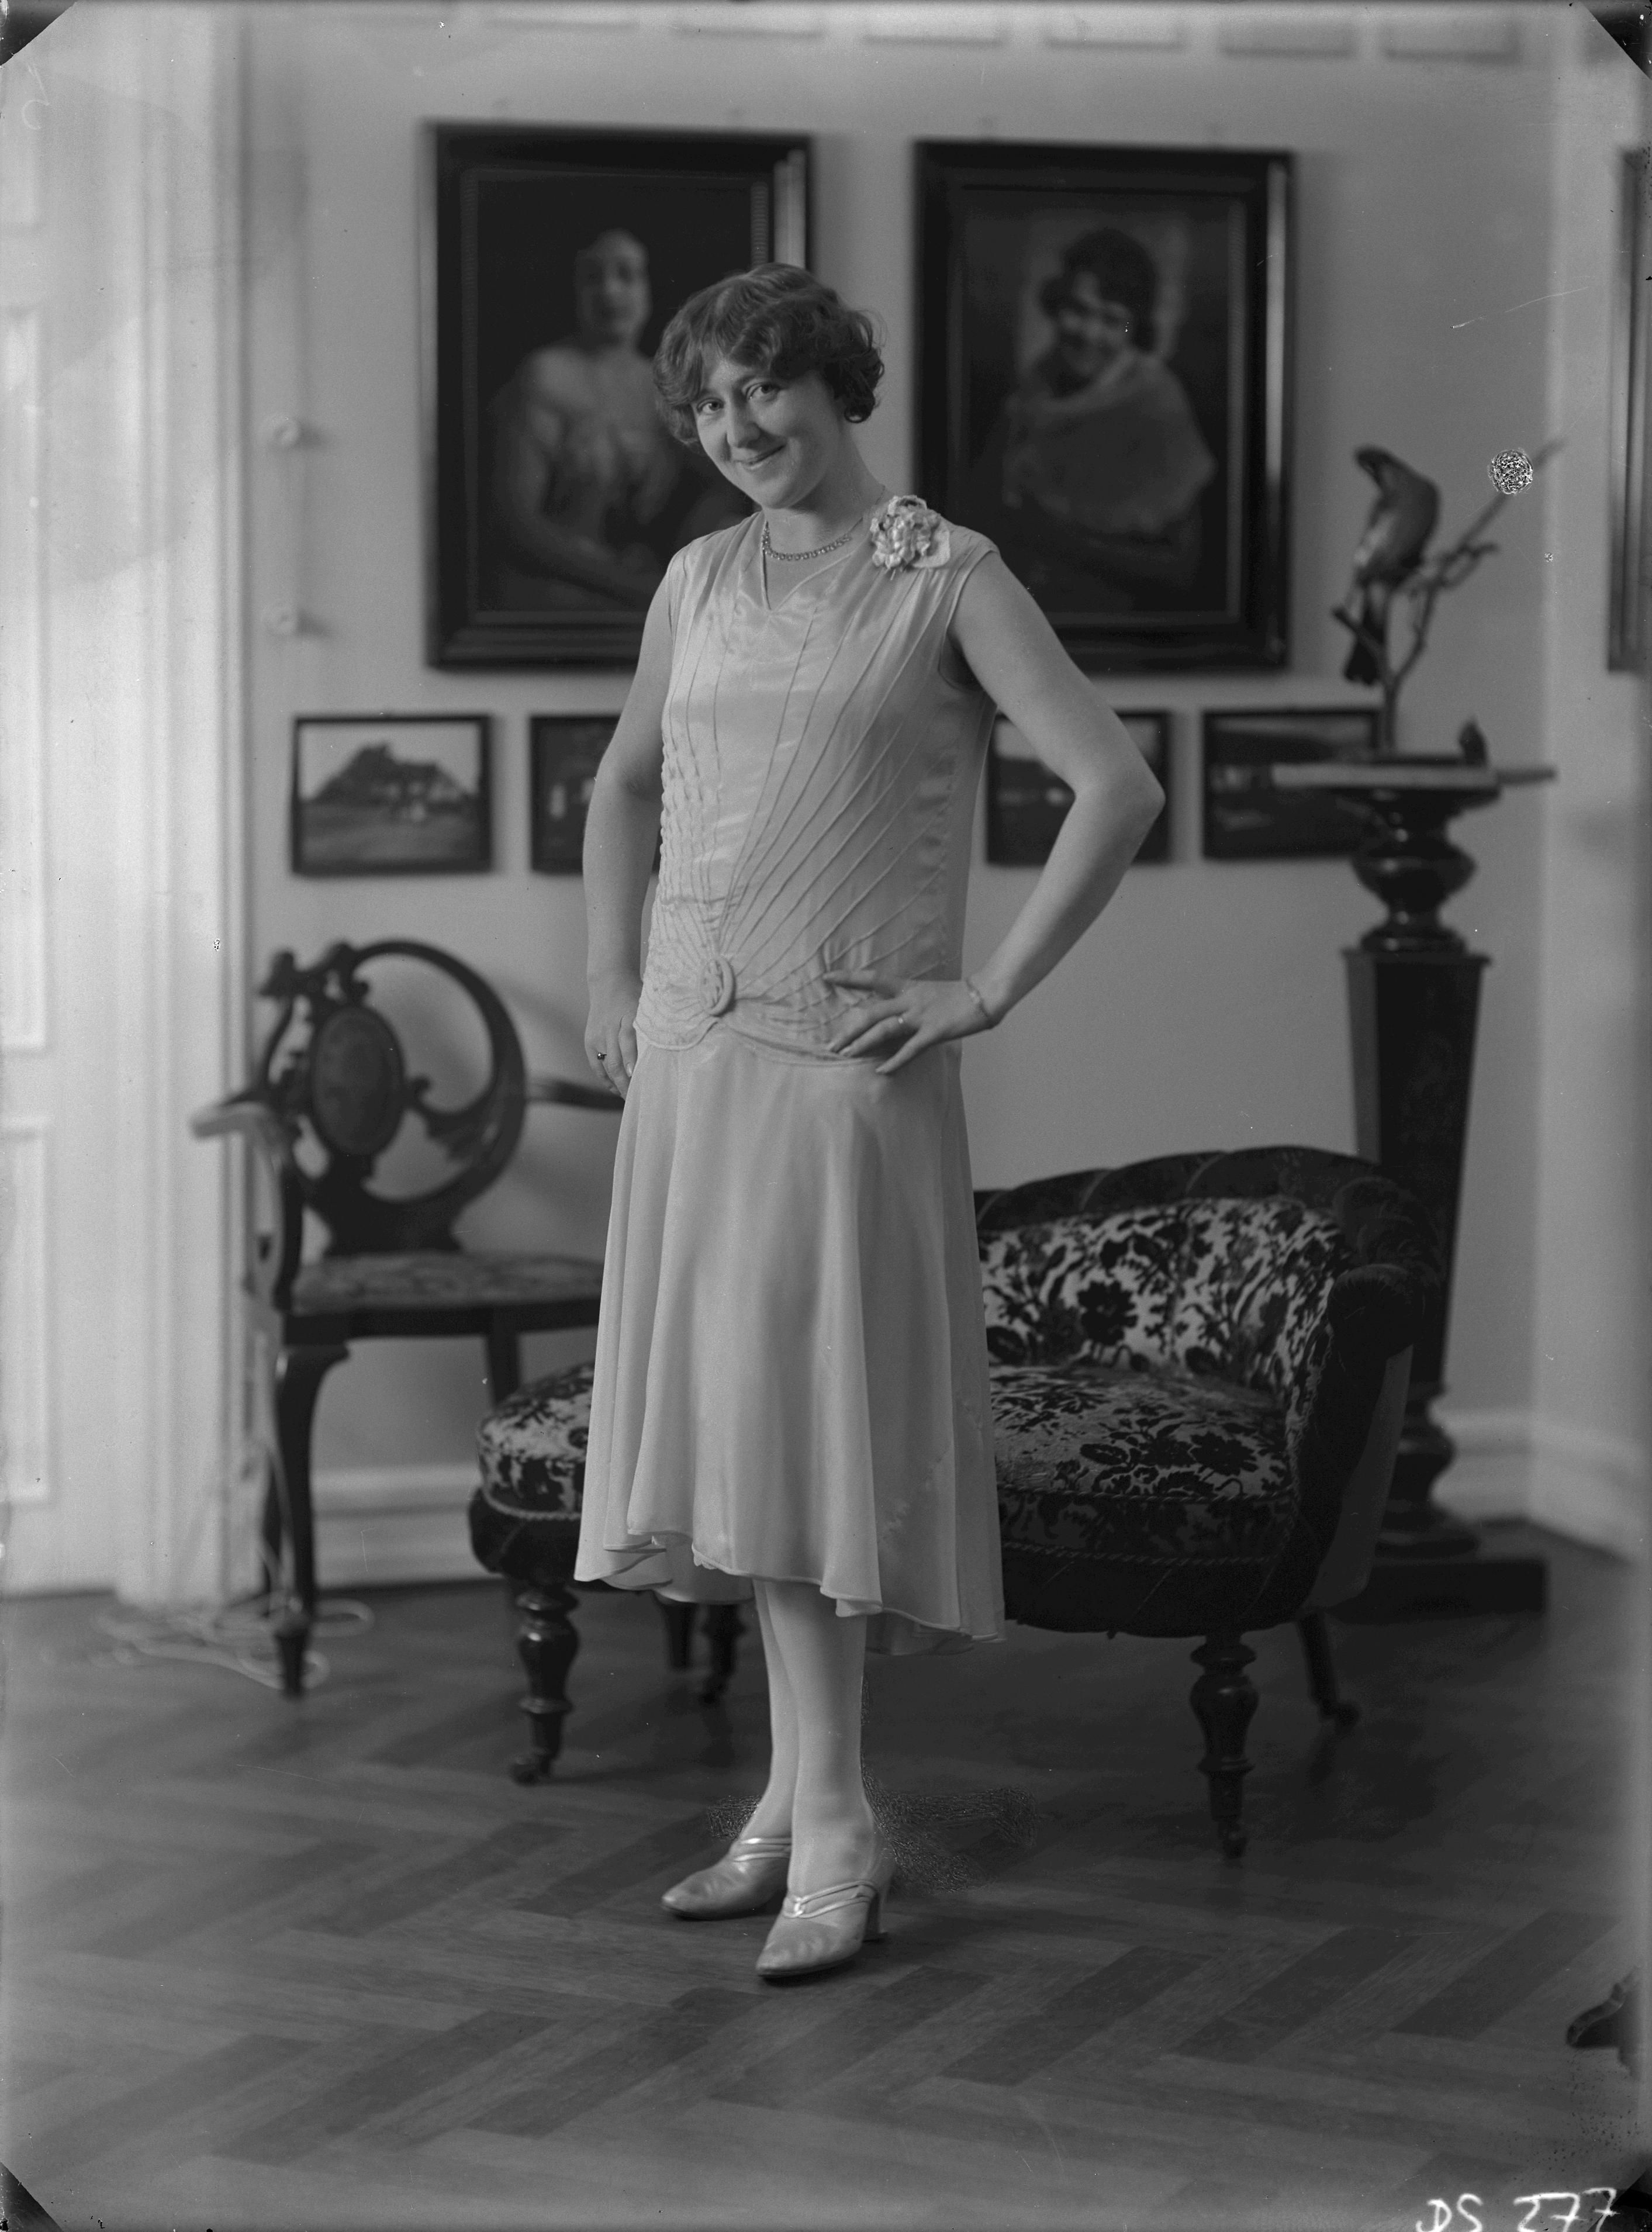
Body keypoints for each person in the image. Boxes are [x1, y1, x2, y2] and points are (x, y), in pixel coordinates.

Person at [575, 264, 1163, 1982]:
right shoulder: (696, 577)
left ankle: (833, 1820)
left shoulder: (944, 571)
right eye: (706, 405)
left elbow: (1115, 785)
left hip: (842, 1068)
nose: (737, 427)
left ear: (839, 384)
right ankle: (794, 1801)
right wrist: (608, 973)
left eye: (765, 387)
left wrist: (987, 988)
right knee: (747, 1431)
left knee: (804, 1433)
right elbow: (622, 781)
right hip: (692, 1055)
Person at [486, 228, 742, 613]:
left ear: (649, 287)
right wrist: (633, 586)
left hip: (639, 597)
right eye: (593, 278)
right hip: (554, 598)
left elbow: (720, 484)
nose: (609, 291)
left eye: (626, 274)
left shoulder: (664, 386)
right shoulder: (546, 375)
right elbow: (516, 525)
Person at [973, 226, 1216, 611]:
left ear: (1135, 328)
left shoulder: (1158, 405)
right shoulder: (1031, 393)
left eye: (1112, 320)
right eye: (1078, 310)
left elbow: (1181, 570)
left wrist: (1057, 539)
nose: (1089, 333)